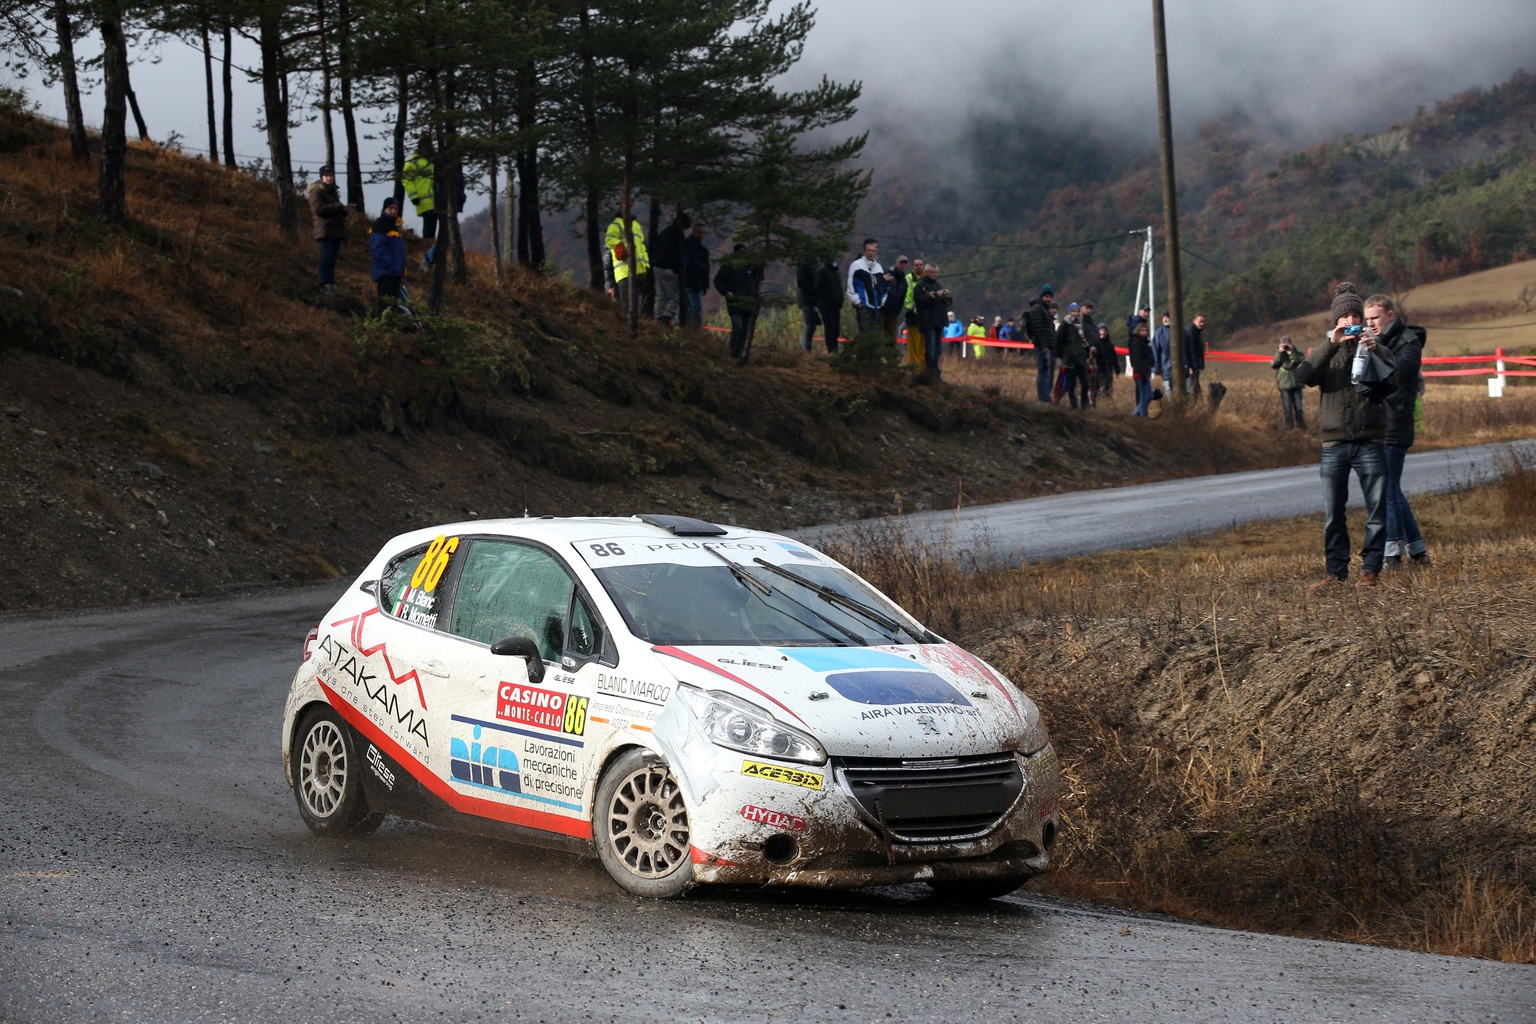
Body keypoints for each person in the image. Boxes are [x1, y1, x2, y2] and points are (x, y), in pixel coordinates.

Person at [1294, 282, 1396, 589]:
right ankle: (1335, 572)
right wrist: (1332, 344)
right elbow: (1303, 377)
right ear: (1336, 321)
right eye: (1345, 316)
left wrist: (1376, 348)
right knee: (1333, 512)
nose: (1350, 321)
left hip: (1370, 441)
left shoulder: (1376, 347)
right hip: (1334, 443)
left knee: (1376, 509)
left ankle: (1370, 570)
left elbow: (1395, 382)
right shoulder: (1327, 352)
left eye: (1355, 315)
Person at [1365, 293, 1431, 567]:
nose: (1371, 324)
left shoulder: (1408, 341)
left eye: (1375, 318)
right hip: (1379, 423)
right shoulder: (1376, 342)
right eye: (1367, 319)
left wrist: (1375, 349)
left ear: (1390, 315)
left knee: (1387, 490)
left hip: (1396, 423)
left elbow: (1400, 372)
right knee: (1393, 489)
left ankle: (1392, 552)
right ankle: (1417, 550)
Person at [713, 243, 762, 361]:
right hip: (735, 303)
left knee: (745, 330)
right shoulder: (729, 265)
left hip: (748, 303)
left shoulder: (750, 266)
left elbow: (759, 277)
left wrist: (759, 264)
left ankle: (741, 353)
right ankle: (734, 352)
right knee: (738, 327)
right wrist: (726, 292)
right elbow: (718, 280)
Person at [306, 165, 348, 296]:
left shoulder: (332, 192)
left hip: (335, 230)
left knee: (333, 259)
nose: (329, 178)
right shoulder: (316, 192)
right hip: (324, 230)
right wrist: (338, 206)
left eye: (331, 175)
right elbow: (319, 210)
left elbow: (333, 210)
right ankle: (324, 284)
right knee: (327, 258)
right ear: (322, 177)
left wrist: (344, 211)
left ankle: (331, 284)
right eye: (326, 175)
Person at [604, 201, 650, 314]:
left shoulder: (636, 225)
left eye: (630, 206)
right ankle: (625, 327)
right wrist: (620, 245)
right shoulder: (616, 225)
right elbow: (609, 240)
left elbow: (642, 247)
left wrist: (646, 265)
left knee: (636, 304)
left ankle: (634, 327)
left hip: (639, 271)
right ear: (621, 207)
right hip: (624, 271)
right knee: (627, 304)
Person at [912, 262, 952, 380]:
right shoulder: (920, 286)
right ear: (926, 272)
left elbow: (947, 304)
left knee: (938, 348)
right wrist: (934, 295)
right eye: (932, 272)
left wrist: (948, 297)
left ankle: (935, 370)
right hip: (928, 322)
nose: (934, 275)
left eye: (935, 272)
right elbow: (919, 300)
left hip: (939, 321)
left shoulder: (938, 285)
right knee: (930, 347)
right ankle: (930, 370)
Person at [652, 208, 690, 326]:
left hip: (657, 266)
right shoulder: (678, 236)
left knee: (661, 294)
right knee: (676, 296)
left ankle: (658, 316)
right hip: (669, 269)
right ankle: (666, 316)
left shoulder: (665, 232)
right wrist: (678, 270)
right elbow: (678, 255)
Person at [368, 196, 406, 315]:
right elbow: (378, 250)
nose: (393, 211)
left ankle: (390, 325)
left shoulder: (395, 226)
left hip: (395, 271)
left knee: (393, 303)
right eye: (391, 208)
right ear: (385, 209)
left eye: (395, 208)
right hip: (385, 271)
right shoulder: (380, 225)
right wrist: (390, 263)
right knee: (385, 302)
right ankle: (383, 324)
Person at [402, 138, 436, 259]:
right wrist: (414, 196)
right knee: (429, 228)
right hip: (424, 200)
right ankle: (427, 251)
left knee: (433, 226)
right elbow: (406, 180)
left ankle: (431, 250)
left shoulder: (434, 161)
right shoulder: (413, 162)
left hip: (435, 200)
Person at [1054, 303, 1091, 409]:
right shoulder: (1065, 324)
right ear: (1069, 312)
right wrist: (1062, 356)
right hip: (1069, 359)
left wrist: (1086, 353)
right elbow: (1059, 341)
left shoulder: (1082, 324)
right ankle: (1074, 406)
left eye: (1077, 311)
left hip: (1081, 358)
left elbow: (1086, 341)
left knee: (1085, 383)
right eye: (1073, 311)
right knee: (1071, 384)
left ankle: (1084, 405)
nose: (1075, 313)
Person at [1023, 285, 1056, 402]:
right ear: (1042, 296)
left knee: (1045, 372)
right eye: (1046, 296)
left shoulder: (1045, 309)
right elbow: (1038, 329)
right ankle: (1043, 398)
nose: (1048, 299)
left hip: (1047, 346)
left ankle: (1045, 397)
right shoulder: (1038, 309)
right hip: (1043, 346)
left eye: (1050, 297)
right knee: (1043, 372)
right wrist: (1043, 346)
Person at [846, 238, 885, 336]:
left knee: (876, 335)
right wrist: (857, 302)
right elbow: (850, 285)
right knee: (865, 334)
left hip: (876, 306)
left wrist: (882, 301)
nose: (871, 253)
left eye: (873, 251)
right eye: (869, 250)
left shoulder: (879, 267)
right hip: (863, 305)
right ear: (864, 251)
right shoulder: (856, 265)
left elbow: (883, 287)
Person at [1272, 335, 1306, 429]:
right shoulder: (1278, 354)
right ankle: (1289, 427)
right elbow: (1274, 364)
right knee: (1287, 408)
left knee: (1299, 408)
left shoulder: (1298, 353)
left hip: (1296, 383)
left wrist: (1291, 353)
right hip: (1284, 384)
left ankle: (1301, 427)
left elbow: (1300, 361)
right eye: (1284, 345)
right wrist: (1280, 352)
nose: (1286, 346)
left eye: (1287, 344)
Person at [682, 222, 710, 328]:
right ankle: (694, 328)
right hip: (692, 281)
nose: (701, 235)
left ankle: (691, 327)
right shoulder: (691, 246)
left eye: (703, 233)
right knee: (695, 306)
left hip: (698, 282)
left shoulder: (697, 246)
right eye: (699, 232)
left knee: (694, 306)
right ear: (694, 232)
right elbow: (691, 264)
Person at [813, 257, 843, 354]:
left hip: (836, 305)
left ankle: (835, 349)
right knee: (830, 328)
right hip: (826, 305)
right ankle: (832, 350)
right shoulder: (822, 271)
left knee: (836, 329)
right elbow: (818, 288)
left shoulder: (835, 272)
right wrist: (830, 298)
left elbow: (839, 288)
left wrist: (840, 300)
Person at [902, 258, 926, 371]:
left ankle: (923, 369)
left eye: (921, 265)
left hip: (926, 316)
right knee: (914, 346)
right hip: (913, 316)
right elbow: (906, 297)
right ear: (913, 266)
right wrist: (913, 308)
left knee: (924, 345)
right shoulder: (908, 278)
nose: (919, 267)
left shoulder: (927, 278)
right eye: (917, 265)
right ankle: (915, 369)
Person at [1128, 316, 1154, 416]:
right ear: (1138, 331)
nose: (1144, 332)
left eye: (1146, 330)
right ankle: (1142, 415)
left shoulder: (1145, 343)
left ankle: (1136, 414)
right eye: (1142, 330)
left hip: (1146, 371)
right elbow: (1137, 359)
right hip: (1140, 372)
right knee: (1144, 396)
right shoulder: (1136, 342)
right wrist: (1142, 373)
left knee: (1149, 395)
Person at [879, 255, 909, 341]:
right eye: (901, 263)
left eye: (904, 263)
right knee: (880, 335)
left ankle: (890, 354)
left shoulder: (904, 281)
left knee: (891, 337)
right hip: (882, 310)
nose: (902, 265)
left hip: (894, 312)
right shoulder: (887, 274)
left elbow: (902, 296)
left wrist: (898, 309)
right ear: (896, 263)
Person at [1185, 314, 1208, 394]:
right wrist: (1189, 366)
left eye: (1203, 322)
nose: (1202, 324)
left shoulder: (1197, 332)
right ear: (1194, 321)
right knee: (1193, 389)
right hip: (1192, 366)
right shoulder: (1191, 332)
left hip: (1195, 365)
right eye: (1200, 321)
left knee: (1196, 388)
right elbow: (1187, 350)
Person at [1093, 322, 1117, 398]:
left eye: (1104, 331)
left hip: (1108, 368)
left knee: (1108, 386)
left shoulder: (1110, 344)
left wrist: (1117, 369)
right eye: (1101, 330)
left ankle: (1107, 400)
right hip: (1098, 367)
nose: (1103, 333)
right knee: (1096, 386)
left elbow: (1114, 358)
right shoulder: (1095, 343)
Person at [1151, 313, 1172, 382]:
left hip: (1182, 369)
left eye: (1167, 317)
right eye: (1164, 318)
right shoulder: (1159, 333)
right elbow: (1155, 351)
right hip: (1166, 368)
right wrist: (1156, 368)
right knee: (1168, 389)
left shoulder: (1182, 331)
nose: (1165, 320)